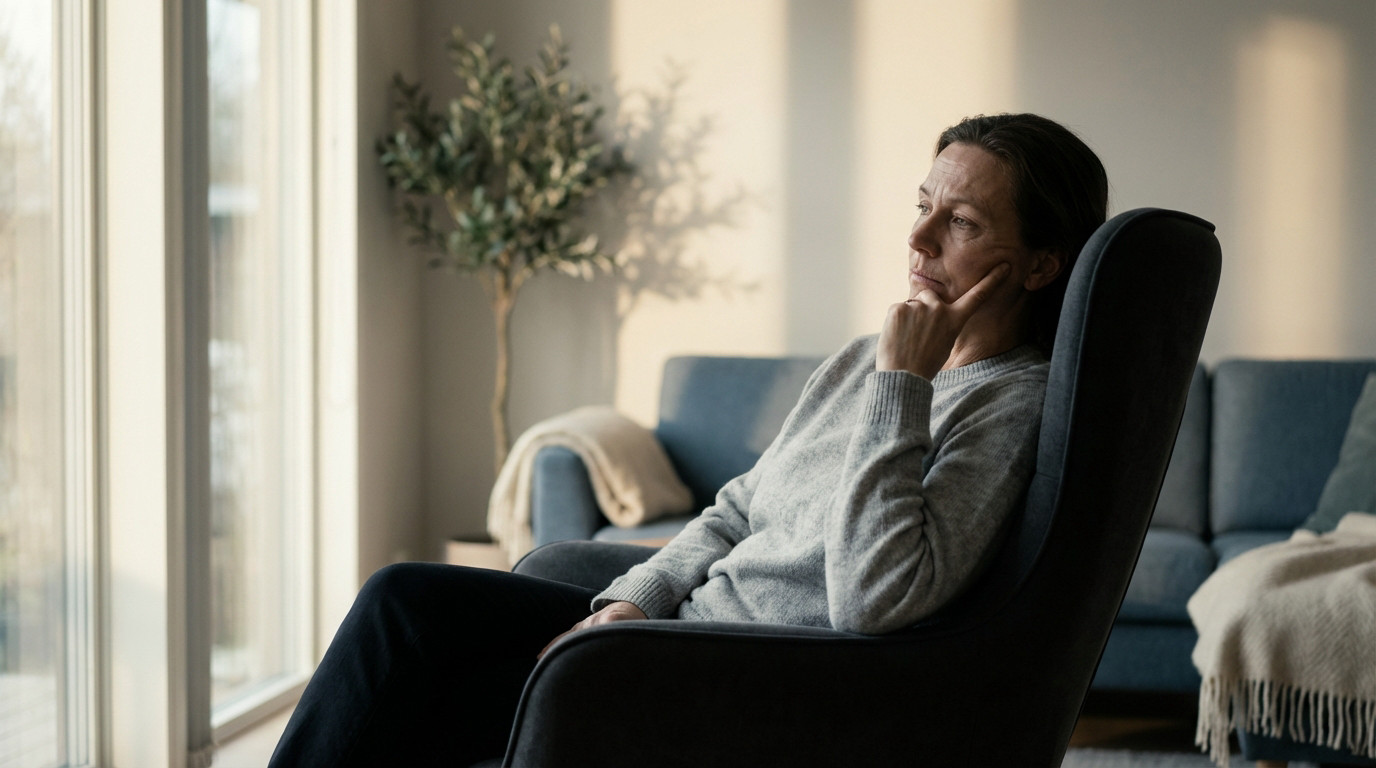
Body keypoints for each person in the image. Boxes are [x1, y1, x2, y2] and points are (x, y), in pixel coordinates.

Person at [267, 112, 1109, 767]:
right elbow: (737, 510)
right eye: (923, 206)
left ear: (1041, 265)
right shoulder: (868, 357)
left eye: (961, 222)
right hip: (672, 631)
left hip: (748, 676)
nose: (919, 239)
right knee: (406, 613)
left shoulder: (1005, 405)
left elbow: (874, 600)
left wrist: (904, 386)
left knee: (414, 684)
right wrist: (634, 602)